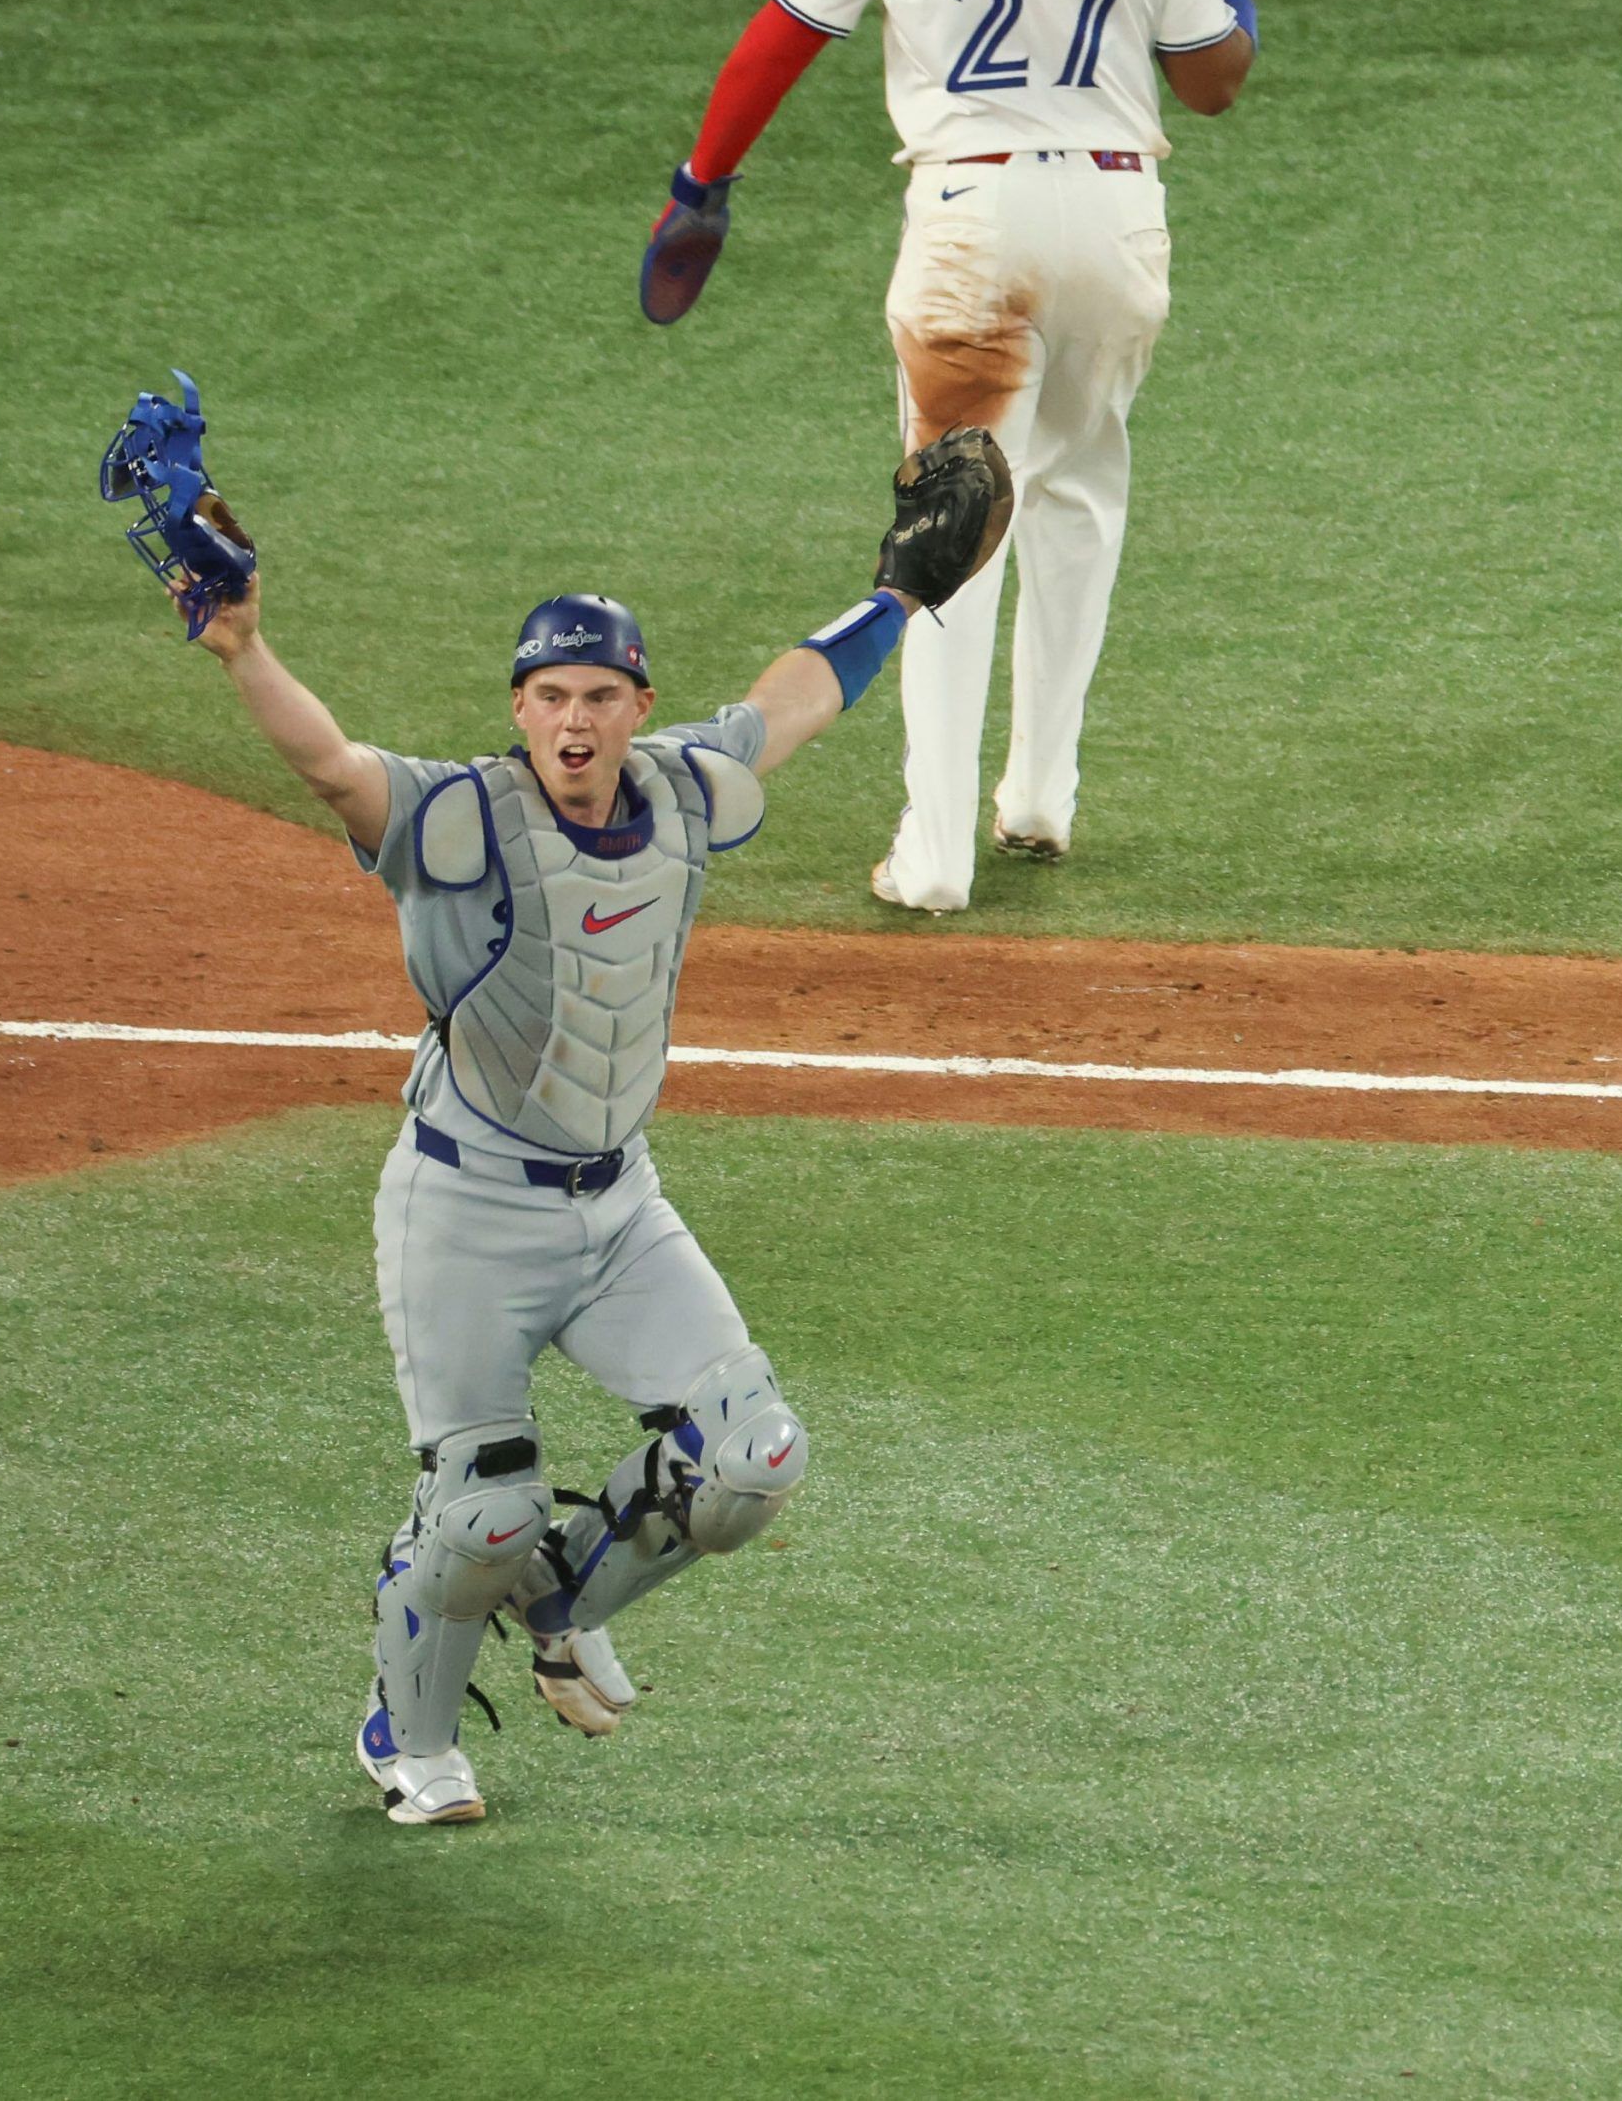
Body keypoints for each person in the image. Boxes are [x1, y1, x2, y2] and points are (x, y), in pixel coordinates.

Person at [161, 431, 1007, 1824]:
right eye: (549, 696)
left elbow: (793, 703)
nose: (573, 722)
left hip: (619, 1212)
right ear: (520, 704)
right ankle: (411, 1739)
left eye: (599, 697)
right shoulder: (459, 820)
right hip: (467, 1215)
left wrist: (901, 595)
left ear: (635, 706)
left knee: (753, 1460)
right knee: (479, 1510)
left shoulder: (682, 791)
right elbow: (330, 768)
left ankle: (560, 1595)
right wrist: (244, 648)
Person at [642, 0, 1271, 913]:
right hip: (1113, 215)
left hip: (970, 225)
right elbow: (1213, 83)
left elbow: (776, 41)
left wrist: (700, 183)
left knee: (947, 523)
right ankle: (1041, 795)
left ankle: (933, 856)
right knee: (1079, 488)